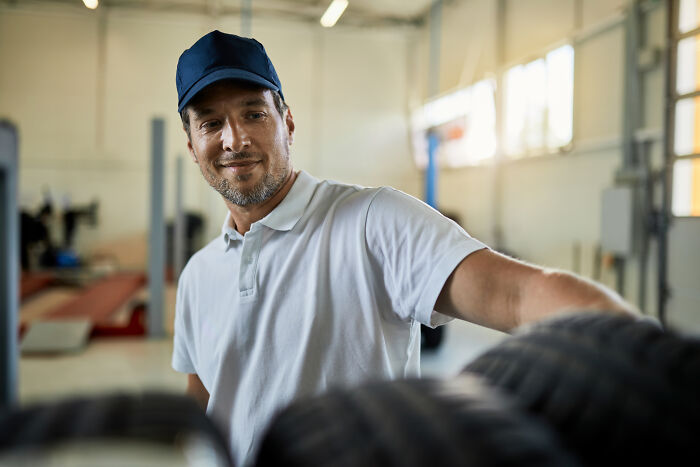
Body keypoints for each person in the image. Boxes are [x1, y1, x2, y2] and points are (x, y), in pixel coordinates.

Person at [171, 30, 633, 466]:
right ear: (193, 146)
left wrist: (648, 357)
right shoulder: (198, 274)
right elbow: (205, 398)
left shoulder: (374, 221)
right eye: (212, 123)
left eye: (254, 113)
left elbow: (518, 296)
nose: (235, 139)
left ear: (287, 122)